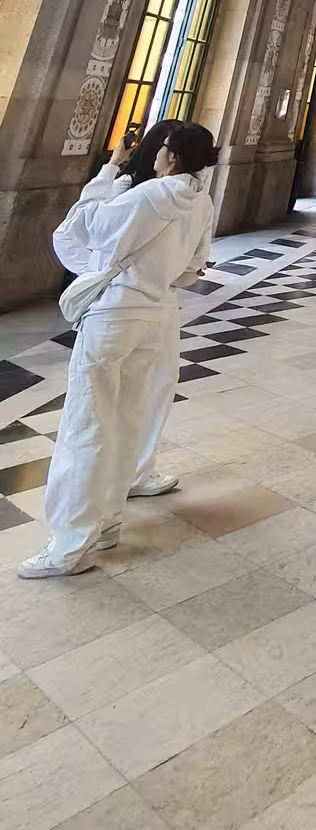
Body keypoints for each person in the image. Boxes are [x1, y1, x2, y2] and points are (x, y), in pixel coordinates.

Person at [20, 122, 218, 578]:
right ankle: (107, 522)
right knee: (128, 420)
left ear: (172, 157)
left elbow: (83, 227)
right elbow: (192, 271)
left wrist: (110, 173)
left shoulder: (146, 195)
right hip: (158, 316)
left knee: (87, 423)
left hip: (115, 317)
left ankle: (70, 546)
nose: (156, 154)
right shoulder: (202, 202)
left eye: (162, 148)